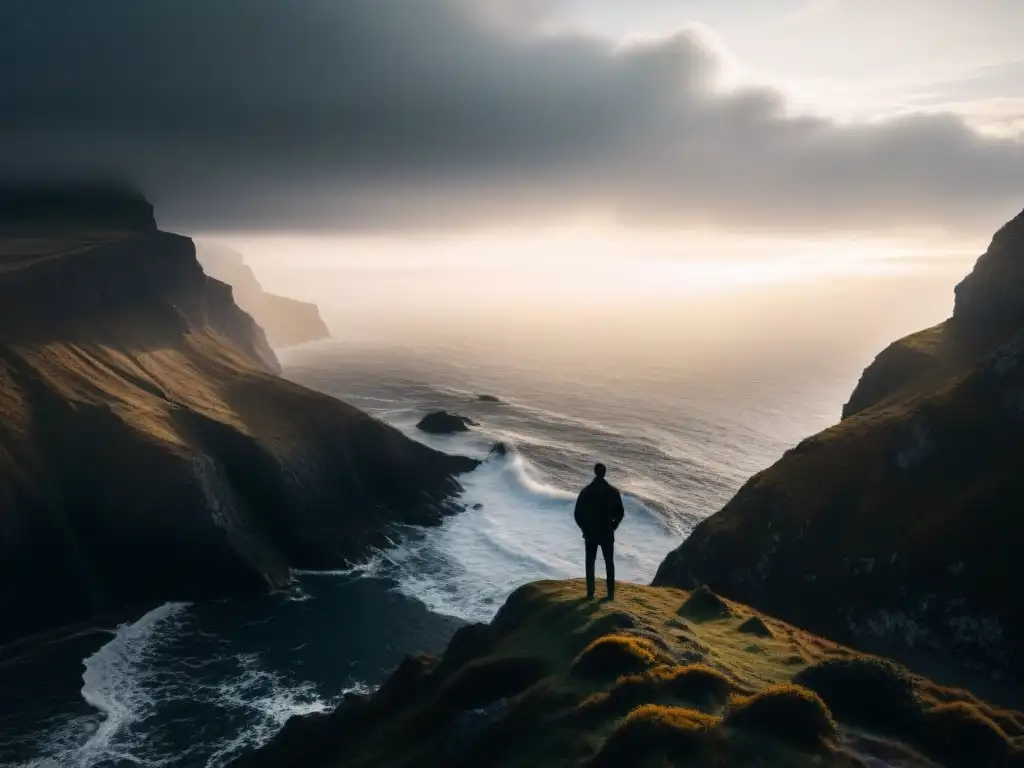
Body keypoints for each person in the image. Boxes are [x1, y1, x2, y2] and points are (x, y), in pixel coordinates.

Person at [573, 462, 625, 600]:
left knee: (590, 562)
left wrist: (584, 529)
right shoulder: (613, 492)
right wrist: (614, 526)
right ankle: (610, 593)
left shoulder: (586, 491)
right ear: (604, 473)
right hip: (607, 532)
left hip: (591, 533)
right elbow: (620, 513)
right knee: (609, 562)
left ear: (595, 473)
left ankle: (590, 593)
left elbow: (577, 514)